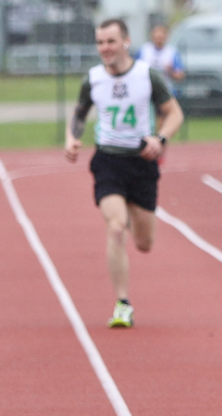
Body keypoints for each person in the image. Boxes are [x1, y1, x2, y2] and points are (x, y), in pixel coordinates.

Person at [64, 18, 184, 328]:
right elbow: (79, 113)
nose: (105, 48)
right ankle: (123, 304)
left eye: (111, 42)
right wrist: (72, 137)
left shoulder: (148, 76)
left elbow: (174, 113)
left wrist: (161, 139)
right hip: (108, 161)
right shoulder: (92, 79)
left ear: (126, 42)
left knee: (144, 244)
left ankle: (130, 210)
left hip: (142, 162)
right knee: (116, 227)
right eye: (100, 42)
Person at [136, 22, 185, 94]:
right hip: (146, 90)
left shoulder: (172, 52)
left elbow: (180, 76)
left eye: (161, 38)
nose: (159, 40)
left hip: (166, 90)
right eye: (157, 37)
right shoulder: (144, 50)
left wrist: (170, 72)